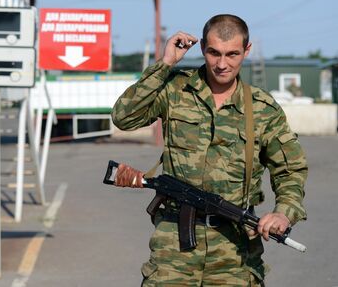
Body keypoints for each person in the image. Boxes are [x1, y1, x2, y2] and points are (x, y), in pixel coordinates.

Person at [111, 14, 308, 286]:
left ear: (246, 51)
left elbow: (290, 170)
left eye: (232, 54)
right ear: (202, 47)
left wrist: (284, 211)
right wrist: (166, 64)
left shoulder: (263, 108)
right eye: (214, 53)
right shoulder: (175, 89)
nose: (222, 64)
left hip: (235, 249)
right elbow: (124, 117)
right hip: (173, 247)